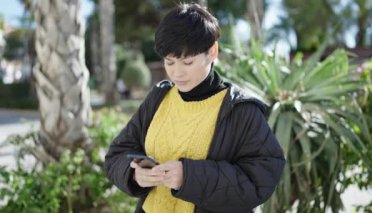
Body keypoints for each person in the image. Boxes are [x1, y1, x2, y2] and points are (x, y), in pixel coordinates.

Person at [104, 3, 285, 213]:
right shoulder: (158, 98)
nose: (177, 73)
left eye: (187, 62)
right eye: (169, 62)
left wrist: (188, 178)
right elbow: (116, 154)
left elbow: (261, 179)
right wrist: (134, 175)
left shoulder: (241, 109)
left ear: (212, 52)